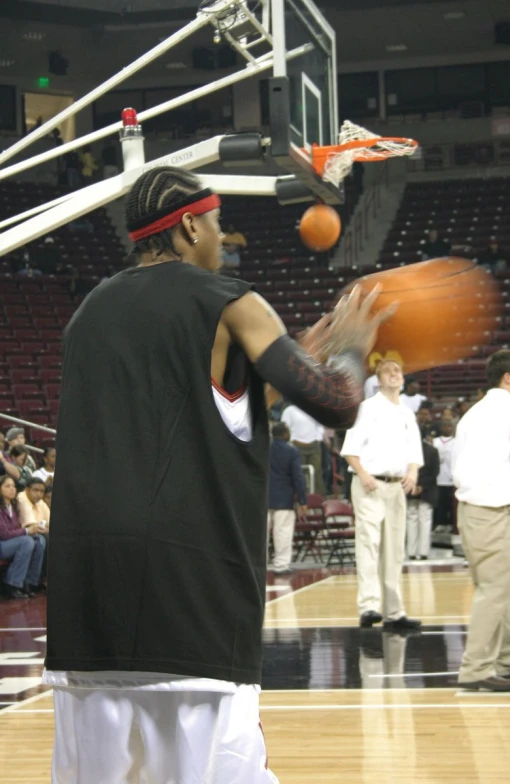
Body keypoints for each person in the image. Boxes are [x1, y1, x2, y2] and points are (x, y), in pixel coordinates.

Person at [44, 164, 392, 784]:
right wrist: (352, 349)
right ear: (186, 225)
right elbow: (338, 402)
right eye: (217, 223)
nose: (222, 237)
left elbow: (208, 414)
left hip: (88, 608)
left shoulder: (86, 315)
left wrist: (292, 357)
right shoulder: (230, 301)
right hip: (191, 597)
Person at [453, 349, 510, 692]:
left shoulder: (471, 415)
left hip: (469, 511)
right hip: (493, 511)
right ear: (508, 377)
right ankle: (476, 667)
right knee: (496, 589)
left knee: (500, 587)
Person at [341, 359, 423, 631]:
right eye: (388, 371)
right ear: (378, 379)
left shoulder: (407, 413)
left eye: (398, 371)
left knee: (394, 551)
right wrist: (363, 475)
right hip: (369, 484)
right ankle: (368, 607)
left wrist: (413, 472)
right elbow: (350, 450)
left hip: (396, 486)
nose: (394, 374)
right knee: (369, 545)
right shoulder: (368, 408)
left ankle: (394, 612)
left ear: (403, 379)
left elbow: (414, 451)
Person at [267, 422, 307, 575]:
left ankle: (258, 567)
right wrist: (302, 500)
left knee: (260, 536)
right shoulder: (291, 451)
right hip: (284, 498)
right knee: (282, 532)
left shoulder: (263, 448)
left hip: (263, 499)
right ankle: (281, 565)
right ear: (285, 434)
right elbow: (298, 477)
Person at [0, 475, 46, 599]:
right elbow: (4, 534)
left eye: (14, 486)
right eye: (7, 486)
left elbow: (15, 530)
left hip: (11, 542)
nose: (12, 489)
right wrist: (26, 531)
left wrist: (30, 531)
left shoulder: (14, 507)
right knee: (27, 541)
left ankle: (29, 582)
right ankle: (11, 583)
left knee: (39, 540)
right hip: (2, 544)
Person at [406, 432, 440, 560]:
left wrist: (415, 486)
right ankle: (423, 552)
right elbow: (435, 473)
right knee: (424, 520)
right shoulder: (432, 451)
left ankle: (412, 552)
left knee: (411, 519)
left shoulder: (406, 451)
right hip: (426, 490)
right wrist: (422, 487)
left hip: (412, 488)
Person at [281, 404, 325, 495]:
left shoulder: (315, 409)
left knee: (317, 472)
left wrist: (318, 438)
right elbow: (285, 428)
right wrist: (291, 441)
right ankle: (299, 499)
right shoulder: (289, 411)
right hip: (296, 445)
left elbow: (320, 425)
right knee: (299, 474)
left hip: (314, 444)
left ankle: (318, 499)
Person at [433, 418, 456, 533]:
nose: (447, 428)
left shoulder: (457, 441)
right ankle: (440, 523)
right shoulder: (435, 441)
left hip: (452, 478)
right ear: (441, 428)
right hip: (439, 478)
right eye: (445, 426)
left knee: (450, 504)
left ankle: (450, 524)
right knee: (440, 503)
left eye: (449, 426)